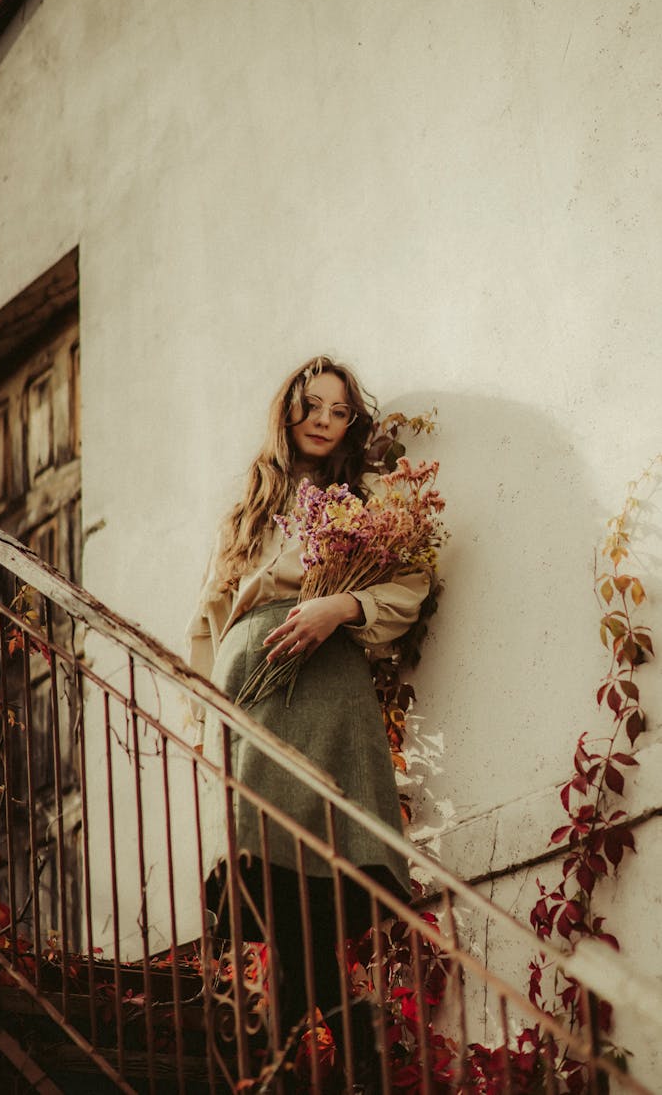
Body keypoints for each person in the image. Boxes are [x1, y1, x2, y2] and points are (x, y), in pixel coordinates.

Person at [186, 357, 431, 1089]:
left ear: (353, 421)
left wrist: (339, 606)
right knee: (271, 862)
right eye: (311, 404)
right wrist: (206, 714)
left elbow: (411, 583)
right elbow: (206, 618)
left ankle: (316, 1031)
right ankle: (334, 1025)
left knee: (322, 863)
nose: (325, 419)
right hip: (253, 686)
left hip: (326, 684)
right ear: (286, 411)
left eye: (339, 409)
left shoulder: (368, 496)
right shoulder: (249, 508)